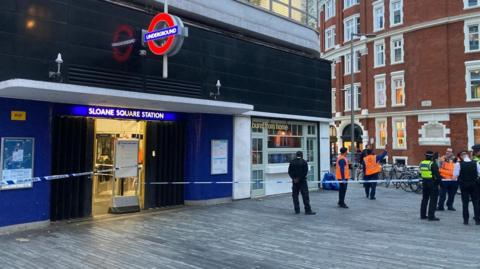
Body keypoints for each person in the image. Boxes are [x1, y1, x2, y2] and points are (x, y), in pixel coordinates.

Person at [453, 151, 480, 225]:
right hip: (474, 185)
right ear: (468, 156)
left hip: (464, 185)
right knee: (476, 203)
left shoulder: (459, 164)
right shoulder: (475, 163)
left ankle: (466, 220)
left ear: (461, 156)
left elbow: (454, 176)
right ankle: (477, 220)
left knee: (465, 203)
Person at [288, 151, 316, 215]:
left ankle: (297, 210)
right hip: (302, 181)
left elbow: (289, 172)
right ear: (302, 155)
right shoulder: (304, 162)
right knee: (305, 196)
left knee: (295, 196)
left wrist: (294, 178)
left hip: (295, 182)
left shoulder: (292, 162)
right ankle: (307, 210)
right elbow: (305, 172)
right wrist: (299, 178)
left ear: (296, 155)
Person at [419, 151, 441, 221]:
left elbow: (420, 173)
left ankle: (422, 215)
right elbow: (437, 176)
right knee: (433, 200)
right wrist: (440, 183)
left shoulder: (421, 163)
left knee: (424, 199)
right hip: (432, 183)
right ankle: (431, 216)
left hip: (424, 182)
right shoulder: (433, 164)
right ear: (431, 157)